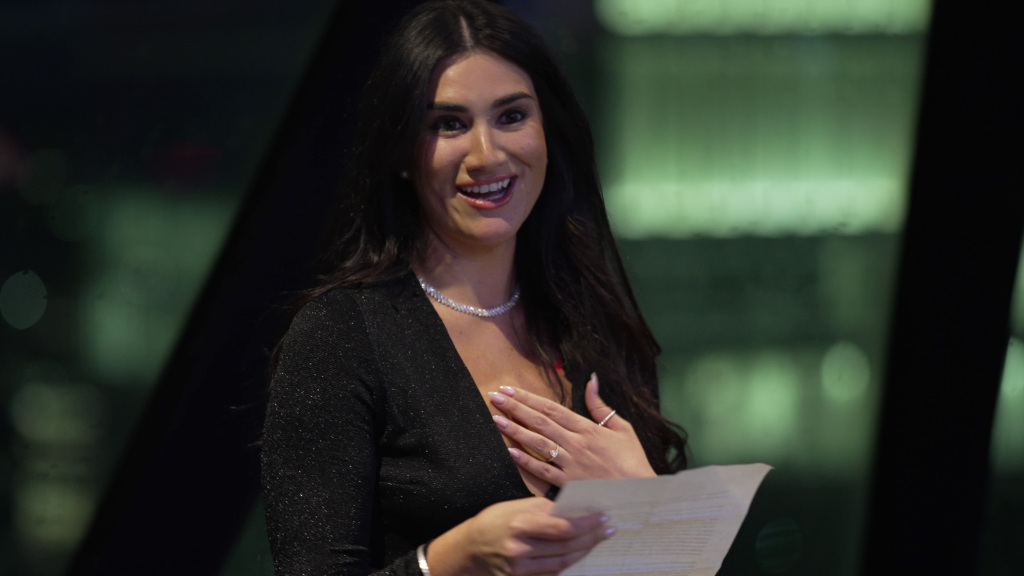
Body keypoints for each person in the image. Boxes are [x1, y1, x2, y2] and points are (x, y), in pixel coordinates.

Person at [261, 1, 688, 575]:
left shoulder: (594, 322)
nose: (487, 155)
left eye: (512, 116)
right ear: (404, 155)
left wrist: (644, 502)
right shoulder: (342, 338)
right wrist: (447, 560)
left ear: (547, 130)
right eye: (448, 125)